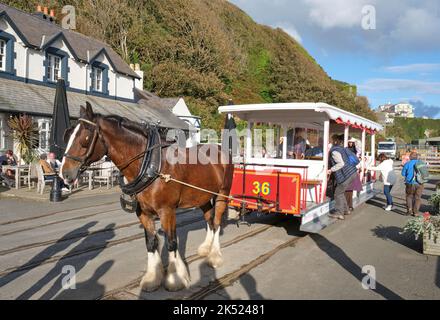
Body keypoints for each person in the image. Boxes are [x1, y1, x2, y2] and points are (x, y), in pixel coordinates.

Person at [327, 134, 358, 220]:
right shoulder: (341, 148)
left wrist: (330, 170)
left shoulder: (334, 151)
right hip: (352, 172)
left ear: (335, 141)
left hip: (346, 174)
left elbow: (341, 163)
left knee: (338, 193)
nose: (330, 141)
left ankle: (339, 213)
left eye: (331, 140)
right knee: (341, 192)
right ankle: (346, 210)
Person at [401, 152, 424, 216]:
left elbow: (403, 174)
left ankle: (409, 210)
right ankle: (416, 212)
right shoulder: (421, 163)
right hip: (420, 183)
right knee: (417, 198)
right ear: (417, 157)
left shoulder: (407, 164)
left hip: (410, 183)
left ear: (410, 157)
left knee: (409, 196)